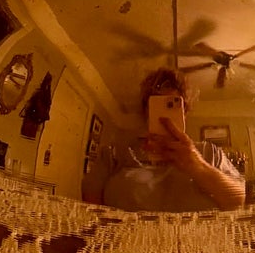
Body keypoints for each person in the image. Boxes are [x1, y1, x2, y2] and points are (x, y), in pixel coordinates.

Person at [89, 70, 246, 212]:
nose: (165, 116)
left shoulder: (209, 153)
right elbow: (91, 215)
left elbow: (238, 200)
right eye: (157, 105)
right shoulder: (114, 154)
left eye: (174, 105)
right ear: (146, 111)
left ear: (184, 113)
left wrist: (196, 165)